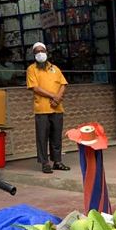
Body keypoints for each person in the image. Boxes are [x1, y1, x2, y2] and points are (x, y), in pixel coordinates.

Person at [26, 42, 70, 174]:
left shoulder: (55, 68)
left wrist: (58, 97)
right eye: (37, 52)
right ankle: (45, 163)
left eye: (42, 51)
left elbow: (63, 84)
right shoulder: (31, 69)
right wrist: (53, 96)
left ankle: (57, 161)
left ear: (46, 52)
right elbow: (35, 88)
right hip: (42, 109)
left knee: (56, 136)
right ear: (34, 55)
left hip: (57, 108)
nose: (40, 53)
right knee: (42, 137)